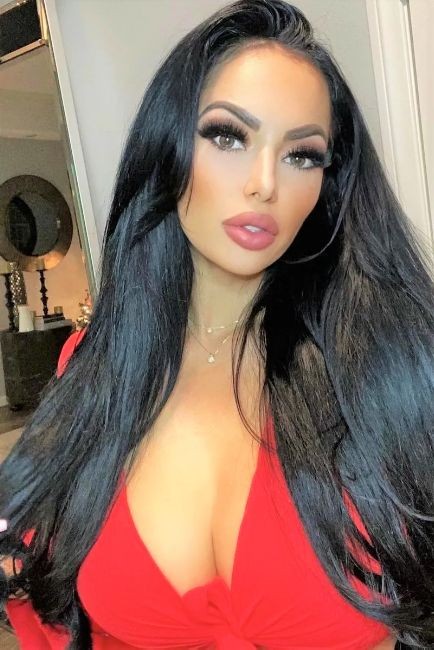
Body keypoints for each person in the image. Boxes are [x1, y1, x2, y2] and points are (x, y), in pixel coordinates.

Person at [1, 0, 433, 647]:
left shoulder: (392, 365)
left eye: (302, 154)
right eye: (229, 136)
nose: (264, 183)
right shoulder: (97, 366)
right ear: (168, 151)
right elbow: (45, 587)